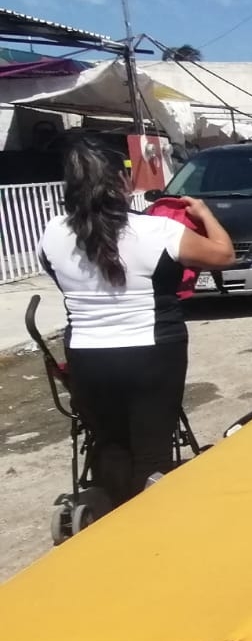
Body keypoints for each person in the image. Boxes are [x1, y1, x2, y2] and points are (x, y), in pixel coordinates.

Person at [38, 131, 234, 507]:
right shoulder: (158, 231)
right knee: (152, 447)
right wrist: (205, 214)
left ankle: (113, 515)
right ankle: (151, 525)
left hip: (88, 355)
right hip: (153, 352)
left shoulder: (51, 233)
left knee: (109, 443)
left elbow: (61, 280)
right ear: (123, 181)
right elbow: (223, 256)